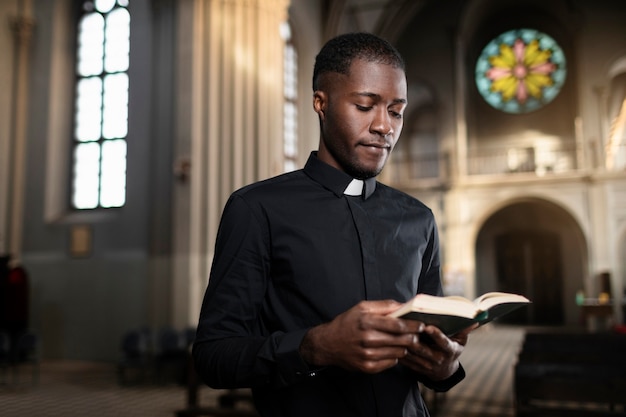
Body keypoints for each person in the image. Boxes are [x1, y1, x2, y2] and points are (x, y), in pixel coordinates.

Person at [193, 32, 474, 417]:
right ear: (320, 103)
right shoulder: (256, 208)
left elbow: (432, 346)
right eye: (365, 105)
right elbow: (213, 356)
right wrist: (315, 346)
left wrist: (446, 367)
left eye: (396, 111)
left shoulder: (419, 218)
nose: (384, 126)